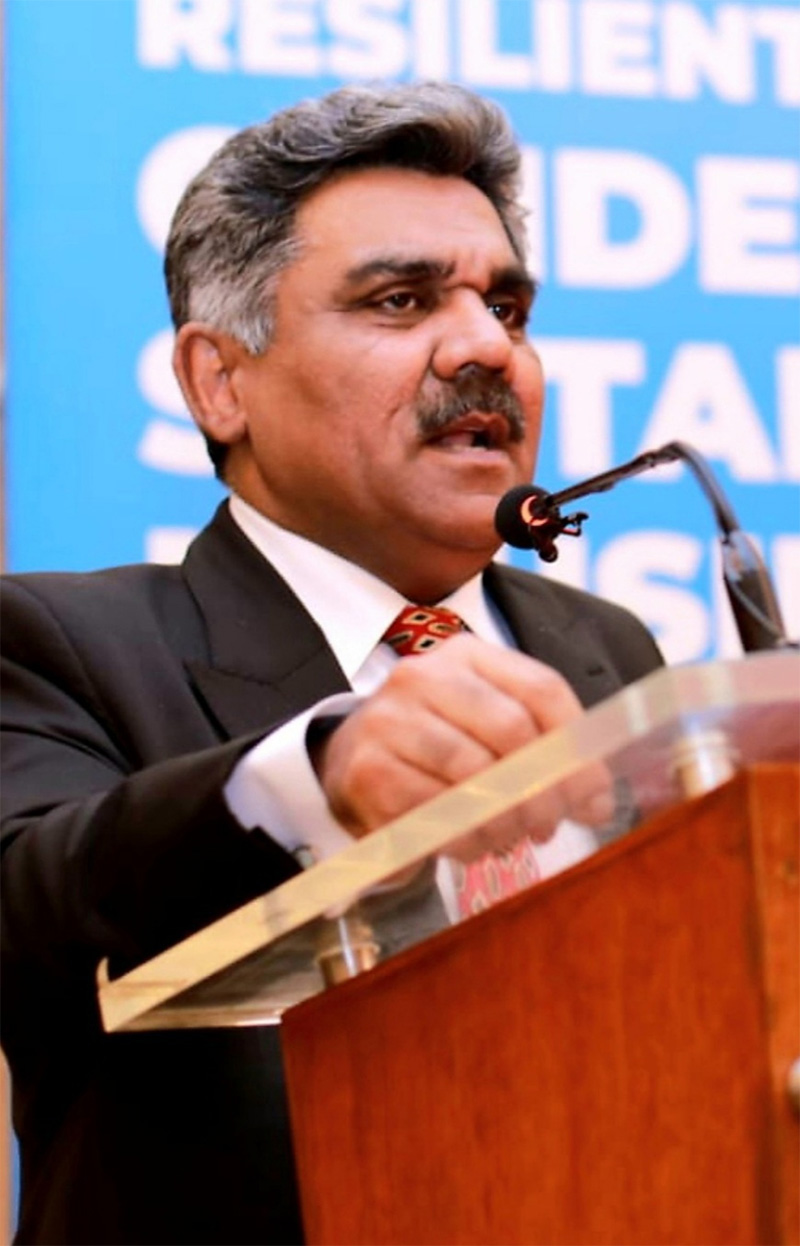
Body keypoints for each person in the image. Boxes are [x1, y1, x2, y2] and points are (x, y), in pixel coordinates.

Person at [1, 82, 663, 1245]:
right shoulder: (61, 645)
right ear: (220, 381)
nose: (485, 346)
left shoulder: (607, 652)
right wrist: (316, 767)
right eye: (400, 300)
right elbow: (30, 896)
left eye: (505, 307)